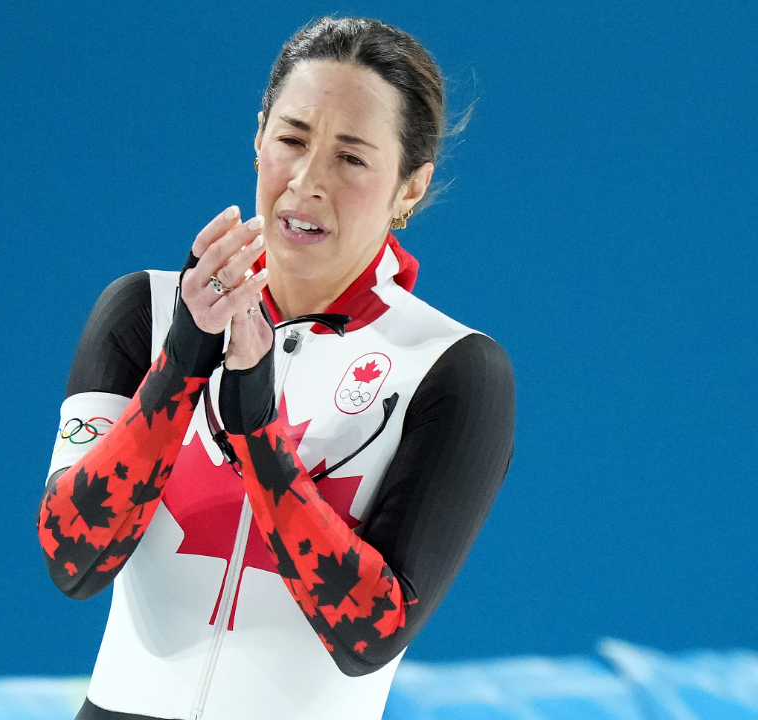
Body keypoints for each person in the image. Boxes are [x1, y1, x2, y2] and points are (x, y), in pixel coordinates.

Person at [37, 16, 515, 720]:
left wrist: (257, 434)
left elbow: (370, 633)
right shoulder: (144, 312)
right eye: (292, 139)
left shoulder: (453, 369)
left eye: (351, 158)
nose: (307, 180)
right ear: (259, 135)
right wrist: (181, 365)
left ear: (410, 187)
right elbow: (73, 559)